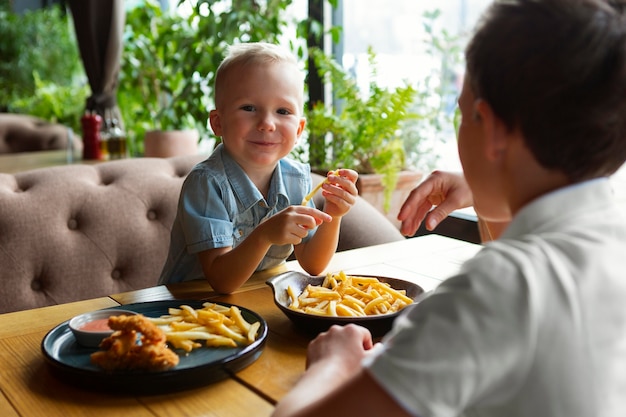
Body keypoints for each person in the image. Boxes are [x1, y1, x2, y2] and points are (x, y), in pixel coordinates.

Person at [272, 1, 626, 416]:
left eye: (462, 113)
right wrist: (489, 186)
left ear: (489, 125)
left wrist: (333, 365)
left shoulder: (497, 289)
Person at [158, 42, 358, 293]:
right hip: (187, 308)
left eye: (283, 111)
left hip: (254, 303)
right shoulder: (206, 183)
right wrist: (265, 235)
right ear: (218, 123)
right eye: (249, 108)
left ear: (298, 130)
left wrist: (334, 213)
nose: (266, 124)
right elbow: (221, 281)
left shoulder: (295, 178)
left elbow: (313, 265)